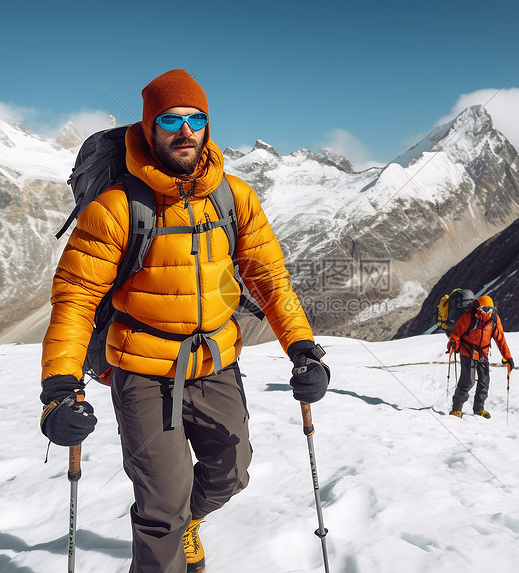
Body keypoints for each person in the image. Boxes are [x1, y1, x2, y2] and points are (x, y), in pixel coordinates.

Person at [37, 69, 330, 573]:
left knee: (231, 473)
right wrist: (60, 388)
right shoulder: (115, 208)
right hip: (144, 371)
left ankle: (185, 524)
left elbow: (269, 277)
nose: (185, 130)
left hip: (216, 362)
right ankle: (170, 539)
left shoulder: (234, 198)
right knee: (160, 507)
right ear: (150, 126)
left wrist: (303, 349)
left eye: (197, 119)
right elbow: (76, 298)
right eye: (172, 119)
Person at [446, 295, 513, 419]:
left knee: (484, 381)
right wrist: (453, 343)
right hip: (468, 352)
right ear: (478, 306)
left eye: (489, 308)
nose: (486, 311)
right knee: (468, 381)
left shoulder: (494, 319)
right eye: (484, 308)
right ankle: (456, 408)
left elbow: (500, 339)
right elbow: (456, 332)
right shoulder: (469, 316)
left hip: (484, 353)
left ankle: (479, 409)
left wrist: (507, 357)